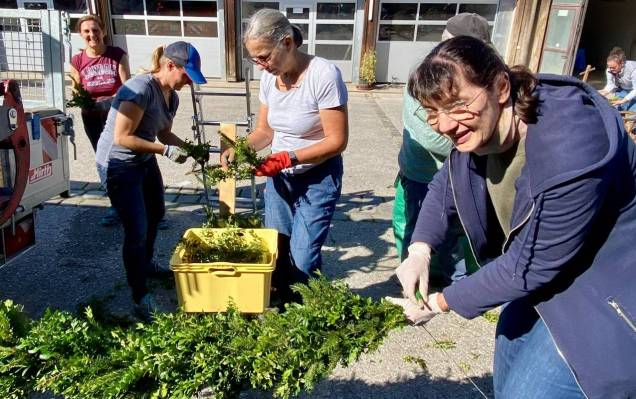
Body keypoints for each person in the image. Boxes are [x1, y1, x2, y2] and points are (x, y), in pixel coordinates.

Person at [392, 36, 636, 398]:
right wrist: (419, 250)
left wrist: (440, 303)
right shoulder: (484, 130)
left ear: (501, 86)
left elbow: (530, 264)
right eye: (432, 111)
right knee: (507, 384)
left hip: (598, 295)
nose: (444, 125)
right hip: (537, 283)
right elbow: (448, 183)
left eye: (457, 106)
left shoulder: (572, 147)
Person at [223, 9, 348, 305]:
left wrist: (287, 158)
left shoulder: (323, 75)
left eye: (264, 56)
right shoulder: (269, 78)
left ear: (288, 42)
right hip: (281, 180)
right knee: (276, 248)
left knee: (303, 258)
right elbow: (265, 132)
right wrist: (241, 148)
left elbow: (337, 140)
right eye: (254, 59)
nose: (260, 65)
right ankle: (284, 304)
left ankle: (307, 310)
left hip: (318, 176)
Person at [95, 41, 207, 321]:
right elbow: (123, 138)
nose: (188, 83)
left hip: (142, 160)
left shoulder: (173, 96)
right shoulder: (139, 88)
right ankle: (139, 295)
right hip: (119, 164)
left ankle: (146, 264)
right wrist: (166, 151)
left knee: (156, 213)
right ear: (169, 65)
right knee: (137, 230)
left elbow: (164, 134)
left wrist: (190, 149)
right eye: (186, 75)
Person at [393, 13, 490, 284]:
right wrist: (477, 148)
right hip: (423, 172)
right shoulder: (426, 75)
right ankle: (413, 281)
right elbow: (430, 138)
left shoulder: (485, 81)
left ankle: (456, 285)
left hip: (465, 174)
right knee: (418, 230)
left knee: (457, 234)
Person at [70, 15, 130, 227]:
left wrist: (114, 103)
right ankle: (115, 205)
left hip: (115, 114)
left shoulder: (117, 55)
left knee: (124, 158)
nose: (91, 35)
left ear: (103, 31)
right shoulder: (77, 61)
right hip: (92, 117)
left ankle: (136, 203)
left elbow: (127, 87)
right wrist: (83, 101)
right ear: (81, 35)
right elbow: (76, 90)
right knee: (104, 160)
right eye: (86, 31)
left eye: (95, 30)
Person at [598, 46, 636, 112]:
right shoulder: (609, 70)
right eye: (610, 67)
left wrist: (623, 100)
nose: (611, 69)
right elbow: (610, 85)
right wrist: (600, 93)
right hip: (623, 90)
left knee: (632, 111)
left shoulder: (633, 70)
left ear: (622, 63)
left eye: (614, 67)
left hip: (633, 90)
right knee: (615, 107)